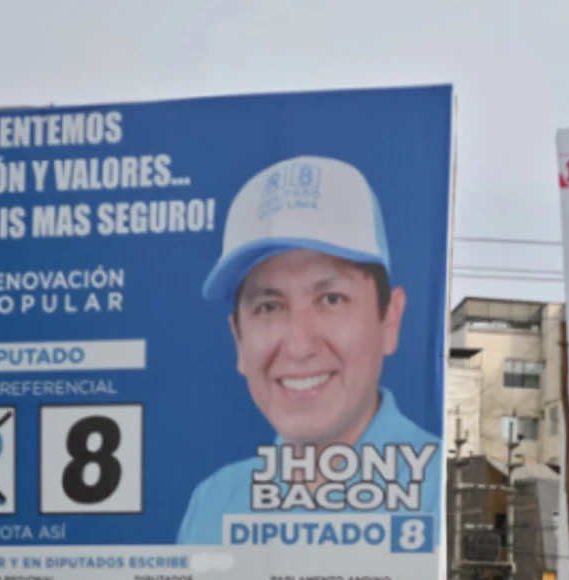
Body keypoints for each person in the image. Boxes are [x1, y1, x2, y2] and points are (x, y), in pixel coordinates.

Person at [175, 157, 440, 548]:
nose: (299, 347)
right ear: (238, 340)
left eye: (331, 299)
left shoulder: (439, 489)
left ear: (390, 319)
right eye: (269, 306)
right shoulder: (214, 504)